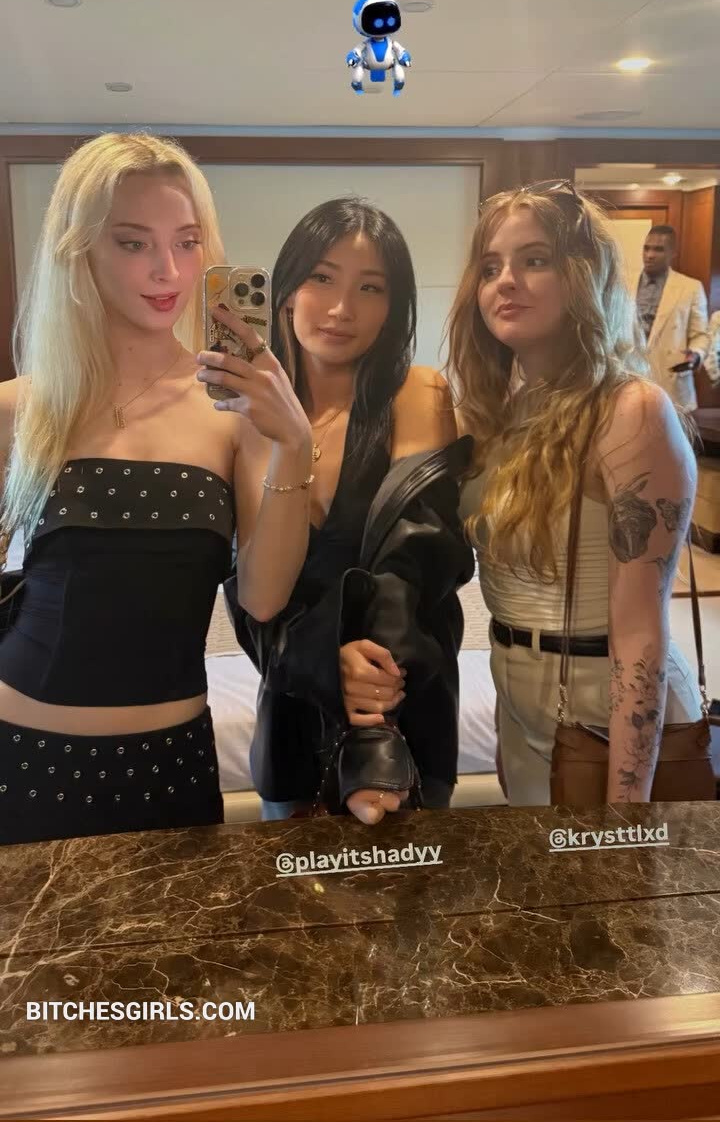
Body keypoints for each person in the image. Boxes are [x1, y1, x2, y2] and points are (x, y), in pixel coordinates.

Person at [0, 132, 312, 845]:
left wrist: (293, 442)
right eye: (133, 242)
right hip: (23, 756)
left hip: (170, 764)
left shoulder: (233, 412)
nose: (167, 269)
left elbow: (264, 597)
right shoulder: (20, 409)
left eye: (187, 241)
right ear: (80, 248)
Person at [450, 180, 703, 806]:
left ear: (584, 276)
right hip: (523, 694)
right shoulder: (503, 412)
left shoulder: (630, 409)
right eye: (490, 267)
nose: (506, 281)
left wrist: (626, 810)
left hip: (604, 711)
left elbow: (641, 632)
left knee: (607, 873)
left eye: (535, 260)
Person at [223, 197, 474, 825]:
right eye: (322, 277)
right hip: (293, 717)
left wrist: (371, 704)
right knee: (295, 889)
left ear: (394, 306)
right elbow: (258, 600)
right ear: (285, 291)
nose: (341, 308)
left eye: (370, 287)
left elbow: (413, 561)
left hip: (400, 715)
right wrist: (323, 662)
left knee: (417, 889)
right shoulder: (247, 424)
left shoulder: (417, 393)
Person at [628, 224, 709, 412]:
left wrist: (696, 354)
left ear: (673, 253)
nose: (649, 255)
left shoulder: (691, 288)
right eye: (646, 248)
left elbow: (701, 335)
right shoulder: (623, 282)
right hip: (630, 375)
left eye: (658, 249)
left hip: (671, 381)